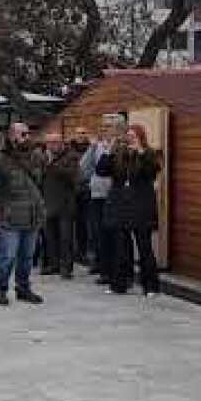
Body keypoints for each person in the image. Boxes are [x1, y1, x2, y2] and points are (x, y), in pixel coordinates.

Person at [0, 123, 46, 306]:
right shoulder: (0, 161)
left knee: (27, 256)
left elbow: (40, 181)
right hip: (11, 217)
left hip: (32, 214)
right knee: (8, 256)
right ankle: (0, 289)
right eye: (23, 134)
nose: (27, 137)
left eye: (28, 134)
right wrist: (4, 209)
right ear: (12, 136)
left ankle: (23, 288)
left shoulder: (34, 157)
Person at [106, 125, 162, 296]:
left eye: (133, 136)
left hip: (141, 207)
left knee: (144, 247)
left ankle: (151, 286)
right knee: (121, 248)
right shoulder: (121, 154)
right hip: (123, 206)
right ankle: (119, 284)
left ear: (140, 137)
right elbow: (103, 171)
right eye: (128, 136)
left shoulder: (149, 153)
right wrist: (109, 151)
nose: (129, 139)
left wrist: (140, 152)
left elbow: (152, 172)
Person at [81, 116, 123, 282]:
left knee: (114, 235)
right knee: (99, 234)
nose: (104, 129)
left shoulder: (120, 146)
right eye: (103, 126)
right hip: (97, 195)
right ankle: (104, 269)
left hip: (114, 196)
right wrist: (91, 148)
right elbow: (83, 169)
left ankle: (114, 271)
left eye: (109, 126)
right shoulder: (97, 146)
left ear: (118, 128)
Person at [40, 132, 80, 280]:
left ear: (62, 143)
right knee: (50, 237)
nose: (51, 146)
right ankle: (53, 264)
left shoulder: (71, 156)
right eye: (49, 143)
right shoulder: (43, 157)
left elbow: (72, 176)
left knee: (66, 238)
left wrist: (52, 164)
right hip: (48, 202)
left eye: (55, 142)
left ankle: (66, 267)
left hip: (65, 204)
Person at [70, 127, 93, 264]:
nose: (81, 135)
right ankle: (79, 251)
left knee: (87, 222)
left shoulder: (91, 149)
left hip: (88, 189)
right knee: (77, 223)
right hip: (74, 191)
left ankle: (87, 252)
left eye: (83, 133)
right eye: (79, 133)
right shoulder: (70, 149)